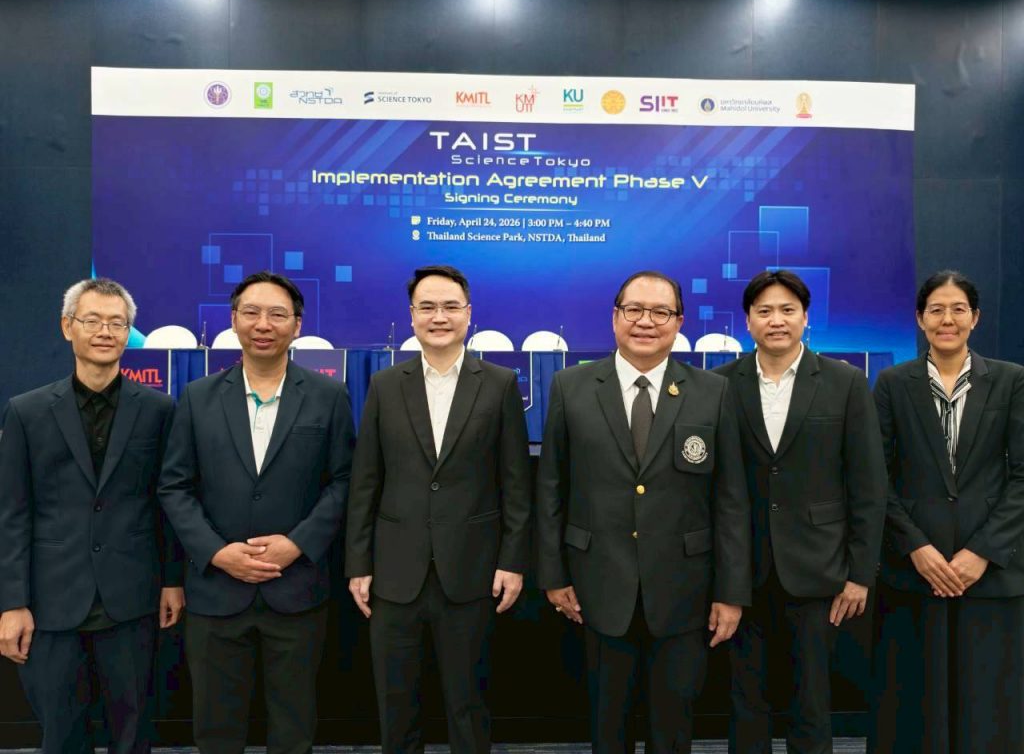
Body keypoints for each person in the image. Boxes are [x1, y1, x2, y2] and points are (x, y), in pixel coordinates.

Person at [536, 270, 751, 754]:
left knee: (672, 728)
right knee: (608, 726)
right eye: (634, 310)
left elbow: (731, 499)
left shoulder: (712, 392)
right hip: (596, 585)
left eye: (660, 312)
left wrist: (731, 592)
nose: (646, 322)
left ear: (679, 322)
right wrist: (552, 574)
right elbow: (551, 488)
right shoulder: (571, 386)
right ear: (615, 317)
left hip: (685, 589)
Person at [158, 271, 354, 754]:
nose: (263, 324)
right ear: (234, 320)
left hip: (296, 590)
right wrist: (215, 552)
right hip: (216, 591)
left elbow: (345, 482)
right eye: (251, 312)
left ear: (297, 325)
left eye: (277, 314)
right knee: (216, 728)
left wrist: (298, 544)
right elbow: (175, 486)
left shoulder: (329, 396)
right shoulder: (198, 397)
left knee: (294, 726)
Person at [346, 264, 531, 754]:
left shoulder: (499, 384)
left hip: (471, 571)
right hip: (394, 572)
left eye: (450, 306)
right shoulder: (386, 385)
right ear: (411, 316)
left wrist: (512, 561)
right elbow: (366, 482)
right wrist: (358, 563)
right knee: (396, 705)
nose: (439, 316)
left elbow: (515, 484)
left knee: (468, 706)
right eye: (427, 307)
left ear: (469, 314)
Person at [0, 277, 183, 754]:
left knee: (133, 734)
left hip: (133, 598)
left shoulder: (159, 409)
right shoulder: (26, 412)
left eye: (117, 323)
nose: (105, 331)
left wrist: (172, 580)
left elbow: (167, 503)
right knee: (61, 736)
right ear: (68, 327)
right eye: (93, 320)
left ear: (128, 334)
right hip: (52, 601)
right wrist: (11, 602)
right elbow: (12, 513)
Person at [713, 269, 887, 754]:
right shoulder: (719, 385)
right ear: (748, 320)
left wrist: (860, 574)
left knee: (810, 702)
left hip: (818, 568)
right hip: (741, 570)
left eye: (787, 310)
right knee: (744, 700)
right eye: (765, 311)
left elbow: (868, 485)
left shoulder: (844, 382)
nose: (777, 320)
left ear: (805, 318)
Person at [869, 270, 1024, 754]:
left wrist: (982, 552)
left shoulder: (1011, 380)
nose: (947, 319)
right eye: (936, 309)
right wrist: (916, 547)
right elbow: (876, 479)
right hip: (915, 571)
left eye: (958, 309)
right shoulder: (893, 384)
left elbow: (1022, 476)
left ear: (975, 318)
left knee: (987, 708)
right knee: (915, 707)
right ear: (920, 319)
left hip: (990, 572)